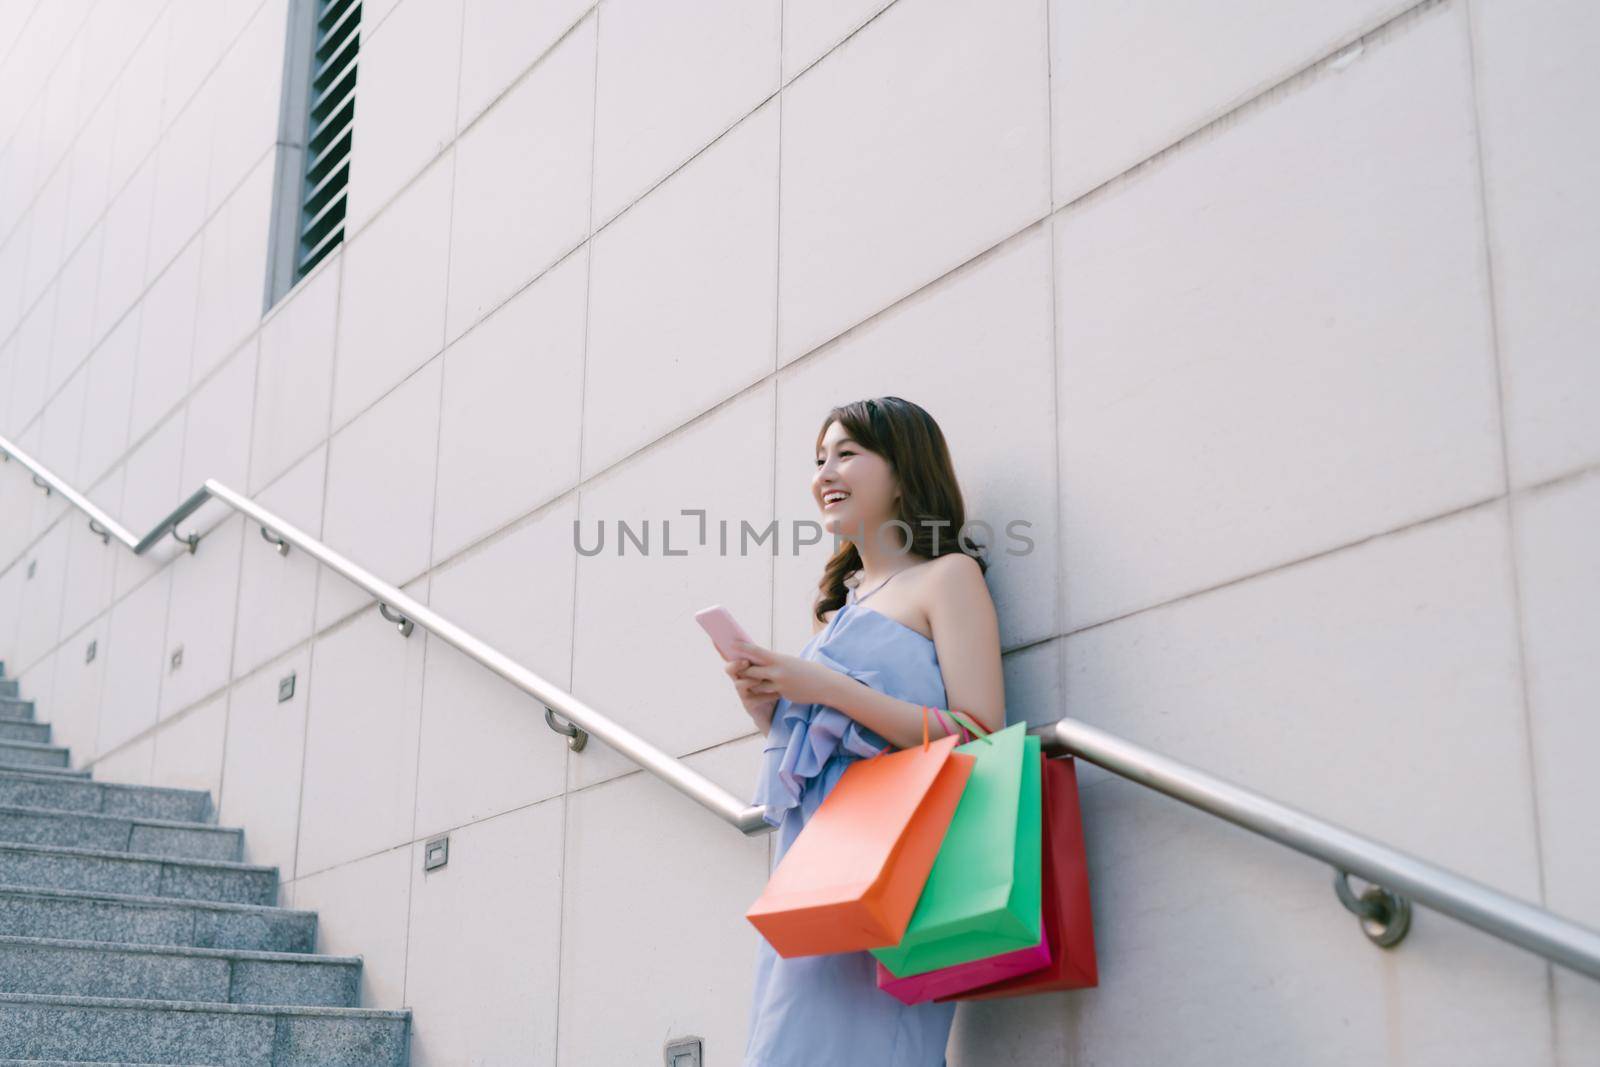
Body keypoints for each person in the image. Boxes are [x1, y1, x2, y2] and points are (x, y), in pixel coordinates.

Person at [725, 397, 1006, 1067]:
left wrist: (820, 684)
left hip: (892, 873)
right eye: (820, 457)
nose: (826, 470)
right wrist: (767, 702)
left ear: (904, 471)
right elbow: (814, 755)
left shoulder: (946, 577)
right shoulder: (842, 609)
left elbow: (978, 733)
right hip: (814, 871)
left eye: (846, 452)